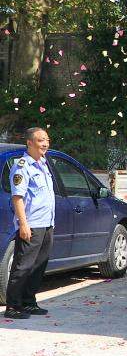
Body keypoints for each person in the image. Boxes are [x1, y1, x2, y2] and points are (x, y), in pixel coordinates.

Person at [4, 127, 55, 320]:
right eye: (41, 140)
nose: (45, 144)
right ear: (30, 143)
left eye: (47, 140)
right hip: (31, 223)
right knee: (23, 265)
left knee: (39, 265)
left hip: (46, 223)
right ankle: (13, 306)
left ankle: (29, 302)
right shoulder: (22, 166)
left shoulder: (43, 163)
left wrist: (51, 222)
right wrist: (23, 225)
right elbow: (18, 197)